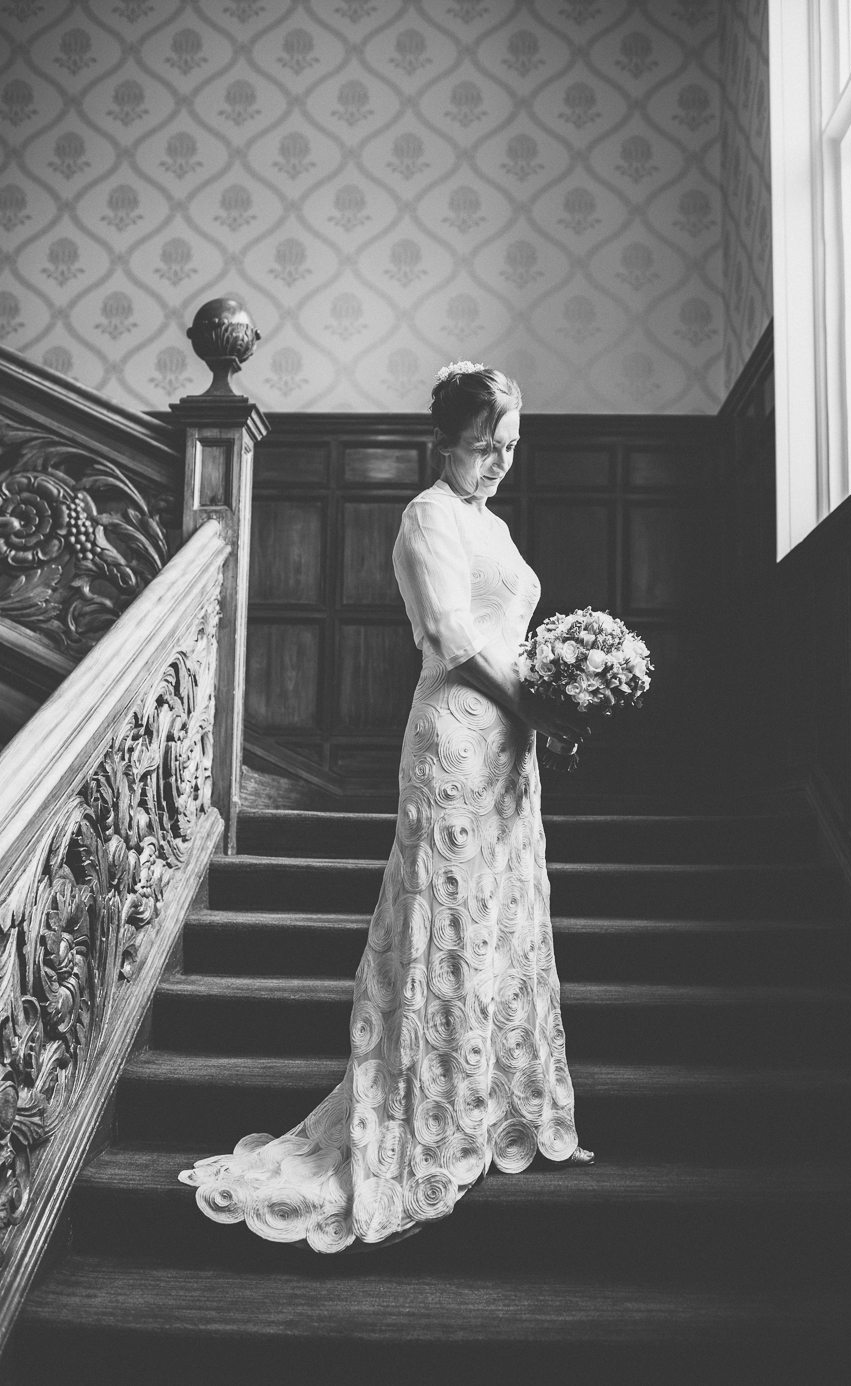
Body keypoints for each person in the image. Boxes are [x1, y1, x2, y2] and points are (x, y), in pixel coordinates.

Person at [178, 361, 594, 1254]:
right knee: (443, 914)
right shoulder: (428, 516)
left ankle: (490, 1103)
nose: (497, 462)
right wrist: (536, 706)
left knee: (502, 916)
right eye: (485, 445)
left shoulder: (494, 523)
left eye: (509, 447)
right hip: (453, 737)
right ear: (444, 440)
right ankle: (424, 1117)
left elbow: (511, 629)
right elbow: (448, 636)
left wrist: (547, 708)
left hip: (509, 745)